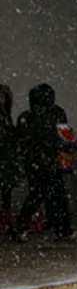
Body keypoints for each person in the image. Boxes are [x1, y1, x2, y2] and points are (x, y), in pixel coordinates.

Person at [10, 84, 74, 241]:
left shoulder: (27, 116)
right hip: (50, 160)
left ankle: (21, 226)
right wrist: (66, 147)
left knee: (38, 195)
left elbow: (20, 140)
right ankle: (62, 229)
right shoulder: (56, 113)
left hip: (34, 161)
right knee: (56, 195)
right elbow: (63, 136)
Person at [0, 84, 17, 231]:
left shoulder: (6, 116)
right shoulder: (4, 117)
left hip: (6, 158)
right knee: (5, 191)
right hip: (5, 158)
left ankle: (6, 219)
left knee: (6, 192)